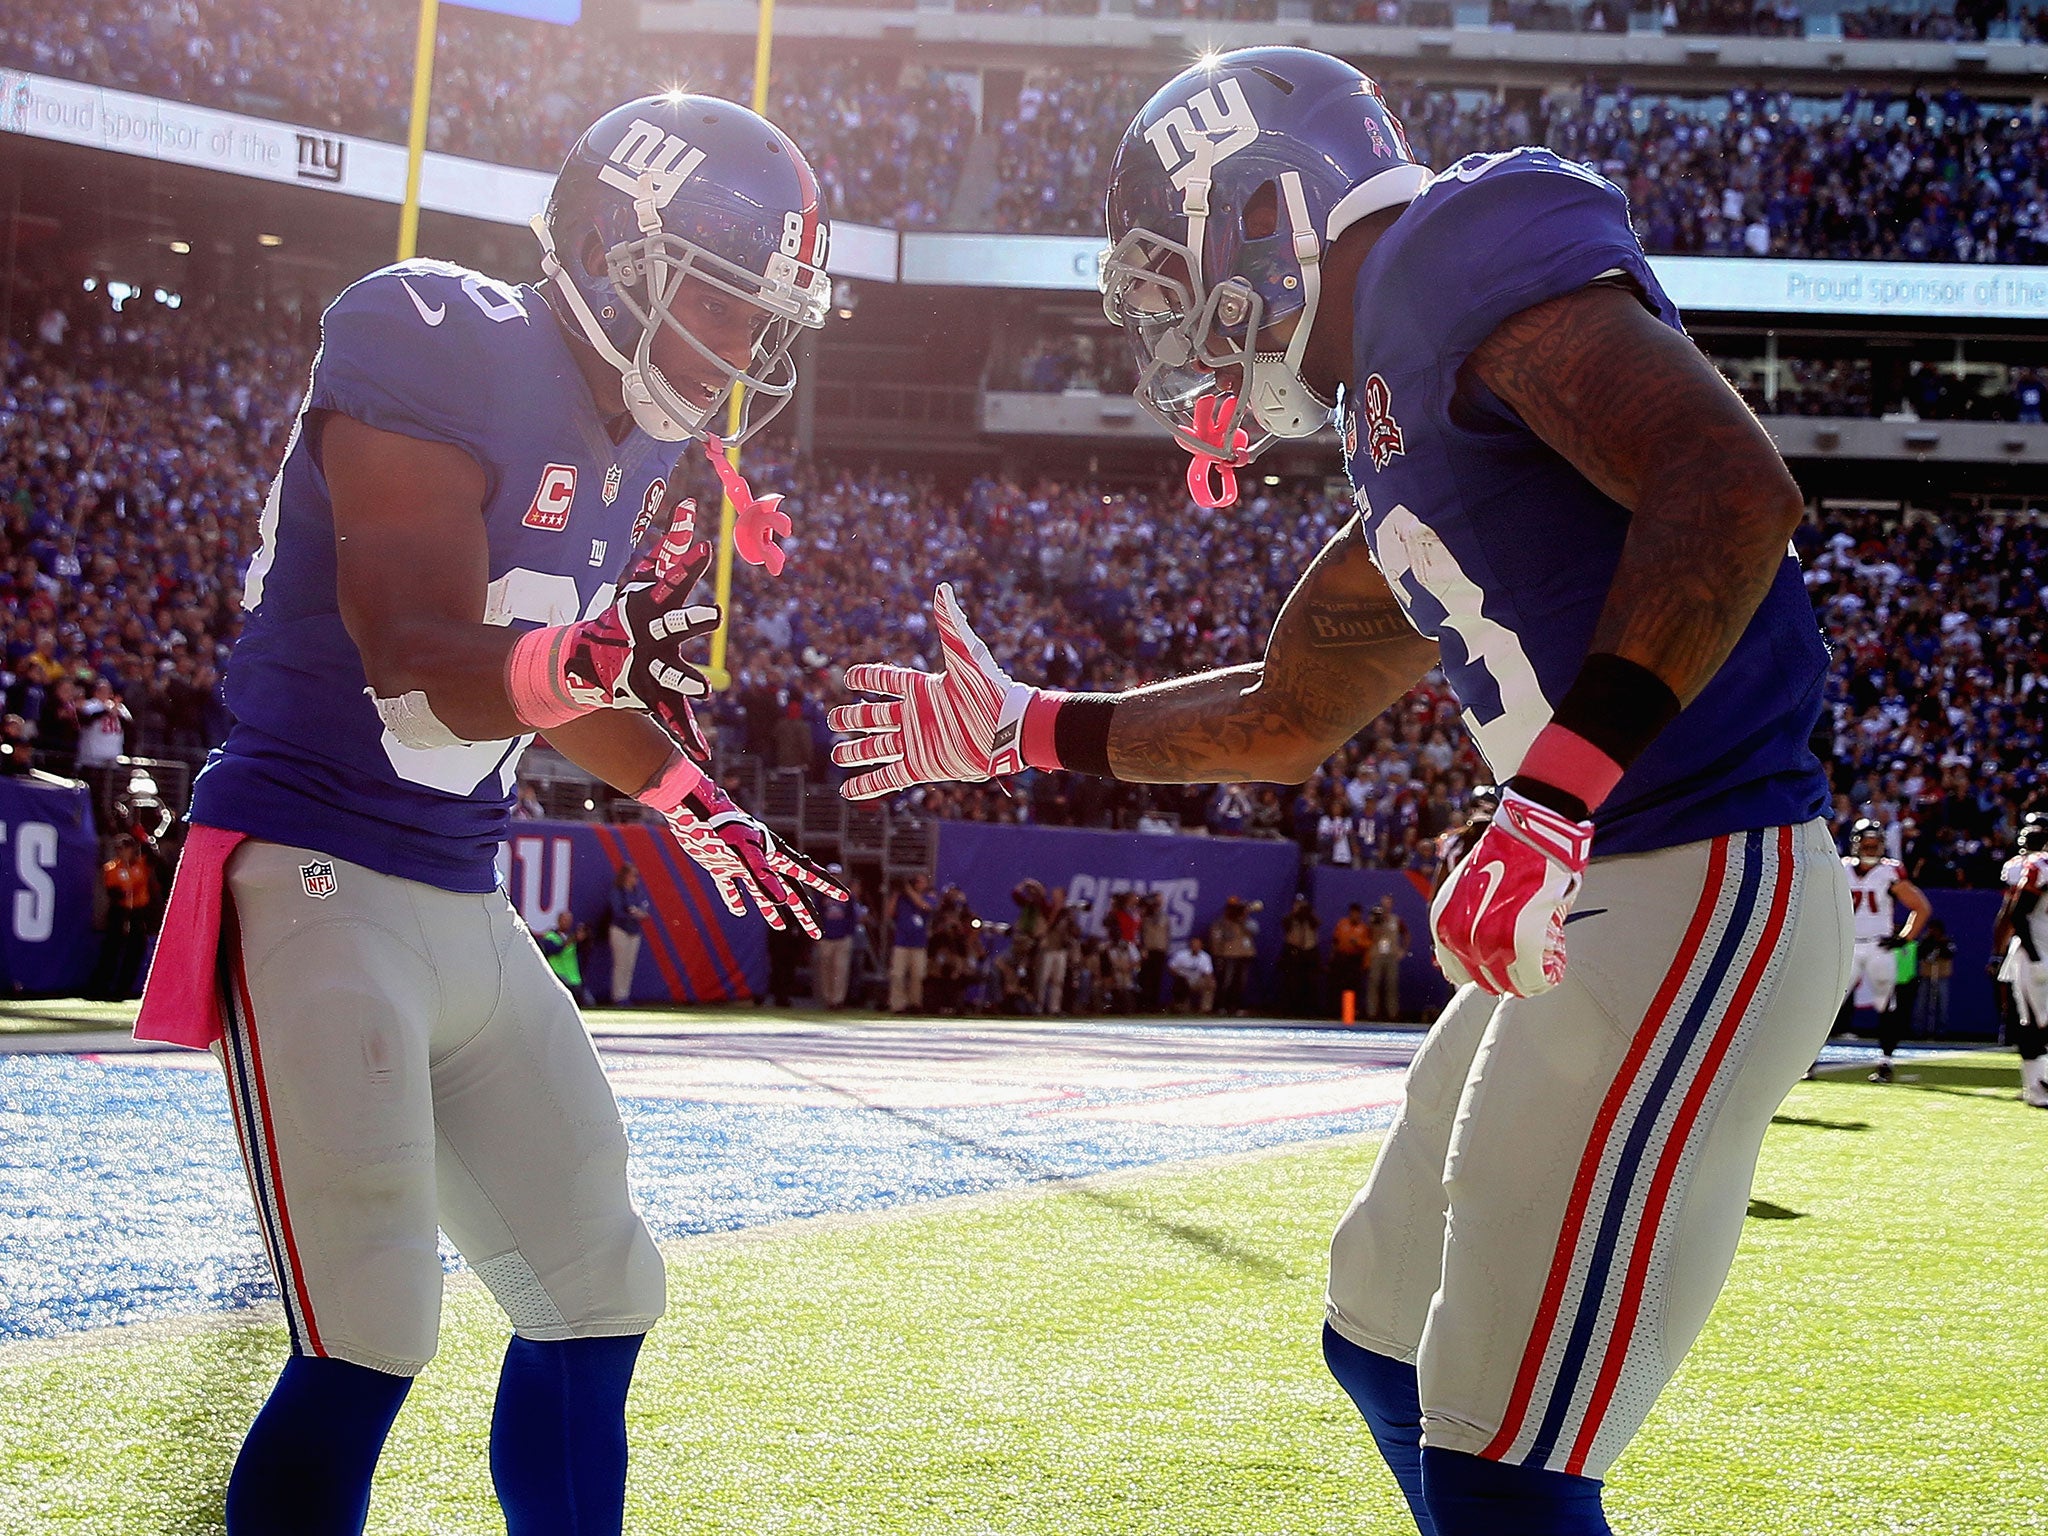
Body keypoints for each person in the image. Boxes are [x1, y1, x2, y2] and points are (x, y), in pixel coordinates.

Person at [831, 48, 1851, 1535]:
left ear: (1260, 214)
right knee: (1373, 1322)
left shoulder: (1462, 248)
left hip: (1699, 869)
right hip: (1595, 889)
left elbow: (1728, 483)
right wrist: (1029, 728)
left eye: (1173, 272)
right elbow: (1284, 710)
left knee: (1503, 1453)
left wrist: (1554, 792)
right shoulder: (1403, 414)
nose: (1175, 327)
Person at [131, 94, 843, 1536]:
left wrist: (696, 797)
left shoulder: (634, 443)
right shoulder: (431, 331)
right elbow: (416, 652)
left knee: (597, 1282)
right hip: (316, 875)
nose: (750, 351)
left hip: (464, 897)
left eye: (770, 320)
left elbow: (547, 682)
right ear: (622, 256)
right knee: (375, 1321)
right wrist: (571, 671)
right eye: (730, 302)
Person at [1841, 817, 1932, 1083]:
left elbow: (1921, 908)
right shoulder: (1841, 868)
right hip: (1849, 947)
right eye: (1866, 844)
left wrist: (1904, 939)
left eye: (1875, 844)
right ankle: (1809, 1061)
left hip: (1878, 946)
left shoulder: (1890, 872)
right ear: (1856, 845)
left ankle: (1885, 1061)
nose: (1870, 849)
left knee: (1885, 1004)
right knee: (1829, 1005)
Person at [1994, 813, 2048, 1109]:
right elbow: (2014, 913)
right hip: (2035, 952)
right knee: (2032, 1023)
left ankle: (2038, 1086)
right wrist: (2034, 955)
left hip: (2038, 950)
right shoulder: (2034, 866)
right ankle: (2036, 1088)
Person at [91, 833, 155, 1000]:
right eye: (119, 849)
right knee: (112, 949)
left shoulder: (141, 865)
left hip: (138, 913)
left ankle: (123, 988)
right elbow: (113, 891)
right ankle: (102, 988)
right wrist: (127, 891)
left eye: (126, 848)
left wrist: (142, 837)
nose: (122, 852)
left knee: (135, 951)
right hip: (120, 912)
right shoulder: (112, 868)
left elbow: (154, 856)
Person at [811, 866, 861, 1008]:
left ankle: (838, 1000)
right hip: (826, 937)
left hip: (842, 937)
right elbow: (816, 914)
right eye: (832, 874)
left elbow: (852, 916)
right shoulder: (821, 895)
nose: (834, 877)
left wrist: (849, 934)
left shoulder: (846, 895)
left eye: (837, 875)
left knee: (841, 969)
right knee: (826, 969)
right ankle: (828, 999)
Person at [888, 872, 934, 1013]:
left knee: (918, 975)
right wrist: (897, 893)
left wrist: (908, 890)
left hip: (918, 943)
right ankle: (898, 1005)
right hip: (902, 942)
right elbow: (889, 913)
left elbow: (925, 906)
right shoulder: (902, 899)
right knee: (897, 974)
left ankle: (915, 1003)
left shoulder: (929, 897)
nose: (921, 884)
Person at [607, 864, 651, 1006]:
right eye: (633, 875)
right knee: (620, 963)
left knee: (629, 964)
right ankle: (618, 996)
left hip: (634, 931)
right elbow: (617, 912)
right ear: (625, 876)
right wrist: (632, 914)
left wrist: (639, 914)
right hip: (620, 930)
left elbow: (644, 908)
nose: (635, 879)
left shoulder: (637, 892)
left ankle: (625, 995)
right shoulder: (617, 891)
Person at [1208, 896, 1259, 1015]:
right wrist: (1218, 955)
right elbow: (1218, 938)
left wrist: (1243, 918)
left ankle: (1235, 1007)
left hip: (1244, 955)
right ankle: (1221, 1007)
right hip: (1228, 955)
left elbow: (1255, 930)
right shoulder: (1222, 922)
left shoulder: (1246, 922)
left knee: (1240, 983)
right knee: (1226, 982)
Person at [1364, 897, 1410, 1022]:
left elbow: (1406, 934)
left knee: (1391, 984)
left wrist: (1403, 950)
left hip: (1391, 955)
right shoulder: (1375, 918)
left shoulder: (1395, 920)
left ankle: (1392, 1013)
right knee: (1374, 983)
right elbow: (1368, 933)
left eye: (1388, 904)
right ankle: (1372, 1013)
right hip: (1377, 954)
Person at [1278, 894, 1323, 1017]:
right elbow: (1285, 925)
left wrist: (1308, 913)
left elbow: (1317, 924)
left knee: (1310, 981)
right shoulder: (1290, 918)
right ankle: (1291, 1008)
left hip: (1309, 950)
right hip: (1293, 950)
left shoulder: (1310, 919)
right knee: (1292, 981)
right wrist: (1295, 913)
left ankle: (1309, 1009)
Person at [537, 909, 591, 1006]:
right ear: (559, 921)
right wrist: (569, 942)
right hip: (559, 976)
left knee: (588, 1003)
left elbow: (585, 952)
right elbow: (552, 950)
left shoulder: (571, 937)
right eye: (565, 920)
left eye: (569, 920)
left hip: (574, 978)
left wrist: (583, 939)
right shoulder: (550, 936)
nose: (568, 923)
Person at [1328, 902, 1370, 1015]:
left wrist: (1358, 943)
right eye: (1353, 913)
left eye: (1357, 914)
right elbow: (1335, 941)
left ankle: (1349, 1012)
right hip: (1341, 958)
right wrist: (1332, 956)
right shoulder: (1342, 923)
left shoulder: (1363, 928)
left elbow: (1368, 944)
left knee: (1352, 986)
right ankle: (1336, 1011)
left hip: (1354, 960)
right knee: (1338, 985)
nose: (1354, 916)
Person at [1166, 933, 1217, 1014]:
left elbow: (1208, 973)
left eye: (1197, 945)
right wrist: (1180, 976)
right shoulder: (1181, 955)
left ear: (1201, 946)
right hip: (1183, 980)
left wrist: (1210, 981)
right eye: (1193, 945)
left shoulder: (1205, 957)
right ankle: (1181, 1007)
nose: (1195, 947)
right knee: (1180, 985)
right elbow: (1171, 967)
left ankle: (1205, 1009)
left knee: (1210, 984)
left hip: (1197, 981)